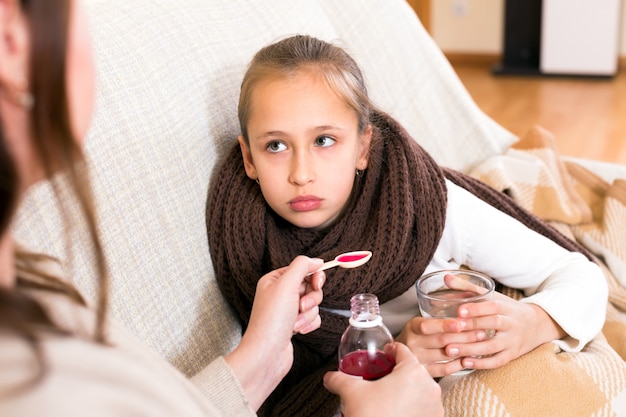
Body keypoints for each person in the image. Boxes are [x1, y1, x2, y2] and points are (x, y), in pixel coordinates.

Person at [0, 1, 444, 416]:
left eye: (324, 140)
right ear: (10, 38)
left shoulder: (40, 295)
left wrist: (257, 360)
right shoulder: (38, 366)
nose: (302, 173)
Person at [205, 34, 608, 417]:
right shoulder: (243, 246)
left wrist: (536, 321)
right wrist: (397, 352)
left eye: (324, 140)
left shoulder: (429, 209)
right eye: (276, 145)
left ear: (363, 147)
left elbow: (579, 274)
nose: (301, 174)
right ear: (249, 158)